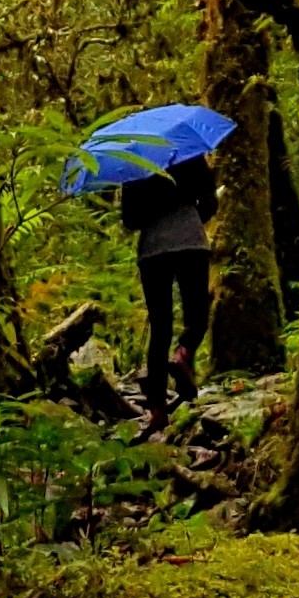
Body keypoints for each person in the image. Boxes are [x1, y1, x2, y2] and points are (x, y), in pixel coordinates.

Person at [122, 153, 218, 428]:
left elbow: (130, 220)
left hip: (153, 249)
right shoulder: (189, 154)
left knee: (160, 326)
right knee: (198, 312)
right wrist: (189, 215)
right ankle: (183, 353)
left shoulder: (134, 161)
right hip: (191, 241)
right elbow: (210, 202)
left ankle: (156, 409)